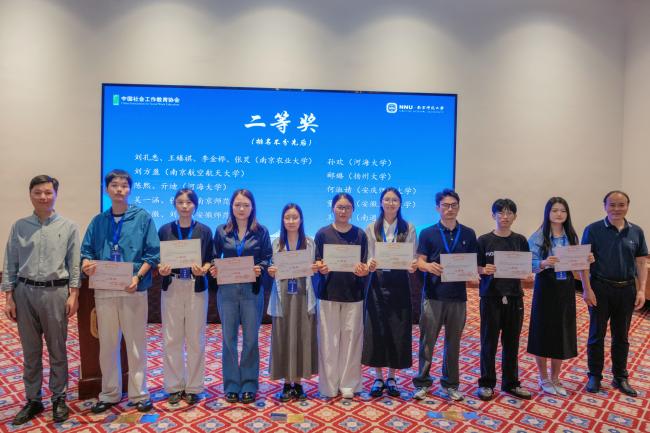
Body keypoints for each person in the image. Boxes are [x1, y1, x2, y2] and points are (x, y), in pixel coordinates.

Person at [2, 175, 80, 425]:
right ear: (30, 194)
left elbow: (74, 264)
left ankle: (59, 398)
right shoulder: (19, 226)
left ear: (56, 194)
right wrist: (8, 297)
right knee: (30, 350)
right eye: (38, 192)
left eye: (48, 192)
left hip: (55, 293)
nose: (43, 197)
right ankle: (33, 399)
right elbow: (10, 261)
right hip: (24, 292)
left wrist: (74, 294)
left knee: (57, 348)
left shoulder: (69, 226)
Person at [81, 169, 160, 413]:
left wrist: (138, 277)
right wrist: (86, 264)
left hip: (133, 288)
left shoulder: (142, 217)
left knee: (136, 344)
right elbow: (86, 252)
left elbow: (152, 254)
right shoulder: (98, 221)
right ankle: (109, 393)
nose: (119, 189)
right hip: (104, 289)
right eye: (114, 185)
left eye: (124, 185)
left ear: (130, 189)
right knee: (107, 344)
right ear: (107, 189)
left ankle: (139, 394)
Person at [412, 189, 478, 402]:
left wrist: (474, 274)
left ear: (458, 207)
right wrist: (427, 266)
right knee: (427, 341)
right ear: (437, 208)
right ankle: (422, 382)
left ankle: (451, 384)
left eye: (453, 205)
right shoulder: (427, 233)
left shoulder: (468, 233)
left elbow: (473, 264)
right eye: (445, 205)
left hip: (458, 297)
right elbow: (419, 261)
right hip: (433, 295)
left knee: (453, 343)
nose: (450, 209)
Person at [581, 191, 648, 396]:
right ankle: (594, 375)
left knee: (622, 336)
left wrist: (641, 289)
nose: (616, 209)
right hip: (600, 288)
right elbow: (583, 261)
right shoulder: (592, 229)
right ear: (605, 206)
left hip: (627, 289)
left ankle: (620, 376)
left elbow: (641, 262)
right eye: (612, 205)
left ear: (627, 206)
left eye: (621, 205)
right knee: (596, 334)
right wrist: (587, 289)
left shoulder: (636, 231)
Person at [210, 189, 272, 404]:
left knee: (251, 339)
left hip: (251, 290)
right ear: (231, 206)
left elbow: (267, 258)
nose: (241, 209)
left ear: (252, 207)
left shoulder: (261, 231)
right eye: (237, 205)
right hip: (227, 290)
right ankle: (231, 385)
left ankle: (249, 384)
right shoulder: (221, 231)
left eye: (246, 205)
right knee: (228, 338)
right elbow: (213, 256)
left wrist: (260, 268)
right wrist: (214, 268)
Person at [527, 197, 594, 396]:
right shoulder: (539, 236)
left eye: (563, 211)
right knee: (542, 331)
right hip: (545, 287)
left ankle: (556, 377)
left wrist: (587, 260)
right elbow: (529, 264)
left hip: (566, 288)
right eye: (555, 210)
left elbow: (579, 265)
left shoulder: (571, 235)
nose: (559, 214)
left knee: (562, 331)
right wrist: (544, 263)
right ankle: (543, 377)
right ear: (548, 213)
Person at [157, 189, 215, 405]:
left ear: (195, 205)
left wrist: (204, 269)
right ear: (174, 204)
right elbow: (157, 258)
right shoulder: (164, 230)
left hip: (195, 286)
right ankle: (174, 386)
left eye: (189, 202)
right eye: (180, 202)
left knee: (195, 337)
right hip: (172, 284)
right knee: (171, 337)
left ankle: (193, 387)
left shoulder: (204, 230)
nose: (184, 206)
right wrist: (161, 268)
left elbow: (210, 259)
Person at [476, 198, 533, 401]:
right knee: (488, 342)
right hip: (490, 297)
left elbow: (526, 268)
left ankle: (511, 383)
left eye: (509, 213)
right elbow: (475, 267)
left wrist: (527, 274)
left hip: (515, 297)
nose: (505, 216)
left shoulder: (520, 240)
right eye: (500, 212)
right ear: (493, 215)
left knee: (512, 343)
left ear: (515, 216)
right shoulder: (483, 240)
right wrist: (483, 269)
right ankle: (486, 383)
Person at [363, 187, 417, 398]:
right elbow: (368, 255)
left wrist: (412, 265)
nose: (391, 203)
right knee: (377, 329)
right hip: (377, 283)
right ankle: (378, 377)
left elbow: (412, 256)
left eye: (395, 200)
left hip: (400, 284)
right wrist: (370, 263)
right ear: (381, 202)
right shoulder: (371, 227)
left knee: (398, 329)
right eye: (387, 199)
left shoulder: (408, 228)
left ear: (400, 204)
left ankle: (392, 377)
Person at [314, 193, 369, 399]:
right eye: (339, 207)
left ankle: (348, 384)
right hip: (327, 293)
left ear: (353, 209)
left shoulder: (360, 234)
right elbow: (316, 261)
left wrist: (364, 270)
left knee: (352, 341)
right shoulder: (322, 234)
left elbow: (364, 264)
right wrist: (320, 266)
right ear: (333, 208)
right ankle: (328, 385)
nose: (343, 211)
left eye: (347, 207)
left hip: (353, 294)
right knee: (328, 341)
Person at [267, 204, 319, 401]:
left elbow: (315, 267)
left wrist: (315, 267)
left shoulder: (310, 243)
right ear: (282, 220)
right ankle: (286, 383)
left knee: (302, 335)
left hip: (303, 294)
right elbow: (271, 267)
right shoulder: (276, 243)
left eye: (294, 217)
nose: (291, 221)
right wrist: (271, 271)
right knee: (284, 336)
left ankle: (297, 383)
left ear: (301, 219)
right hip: (283, 295)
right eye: (287, 217)